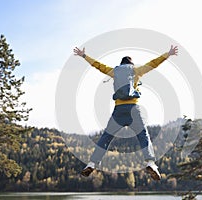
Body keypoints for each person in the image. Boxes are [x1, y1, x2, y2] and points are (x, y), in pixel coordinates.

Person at [73, 45, 178, 180]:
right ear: (131, 64)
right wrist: (167, 54)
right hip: (134, 108)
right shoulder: (136, 71)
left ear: (121, 64)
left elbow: (98, 65)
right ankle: (151, 162)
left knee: (106, 137)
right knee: (143, 135)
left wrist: (84, 56)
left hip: (119, 110)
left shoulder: (114, 71)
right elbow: (153, 64)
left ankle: (92, 163)